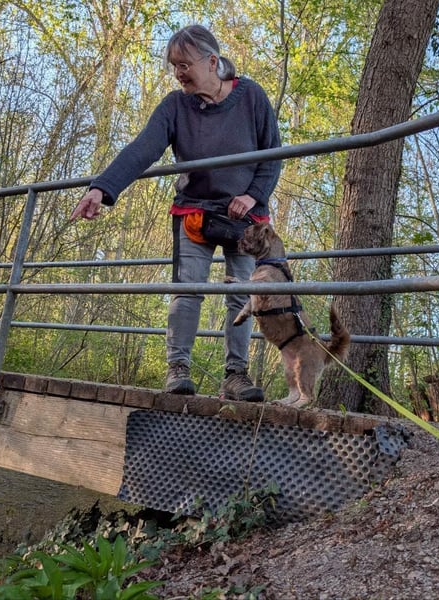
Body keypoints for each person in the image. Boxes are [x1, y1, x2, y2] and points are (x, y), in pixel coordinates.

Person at [70, 24, 281, 401]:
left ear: (212, 61)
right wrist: (102, 188)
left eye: (184, 64)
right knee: (187, 290)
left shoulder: (252, 97)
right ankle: (178, 369)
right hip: (195, 211)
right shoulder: (175, 105)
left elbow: (273, 155)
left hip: (244, 216)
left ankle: (236, 376)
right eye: (174, 66)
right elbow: (142, 149)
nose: (179, 73)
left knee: (242, 296)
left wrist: (253, 195)